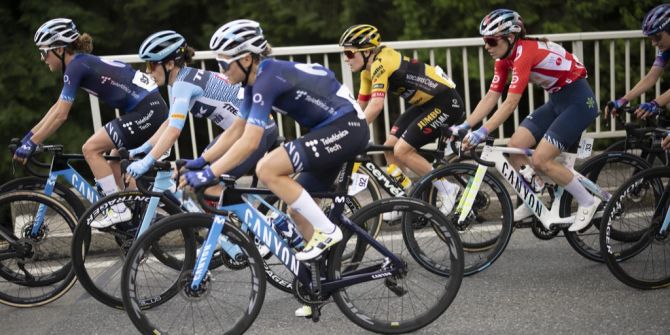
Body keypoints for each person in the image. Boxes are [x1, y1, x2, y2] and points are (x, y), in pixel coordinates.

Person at [182, 19, 369, 264]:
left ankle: (328, 231)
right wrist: (202, 161)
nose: (221, 68)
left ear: (246, 59)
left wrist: (209, 173)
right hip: (332, 128)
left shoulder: (267, 78)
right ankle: (323, 282)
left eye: (224, 62)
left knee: (268, 168)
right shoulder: (253, 84)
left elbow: (250, 142)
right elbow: (236, 131)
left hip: (346, 126)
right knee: (297, 212)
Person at [457, 9, 600, 232]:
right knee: (515, 147)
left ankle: (588, 202)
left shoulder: (525, 53)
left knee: (542, 160)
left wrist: (482, 132)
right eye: (485, 41)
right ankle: (532, 200)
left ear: (510, 37)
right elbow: (491, 96)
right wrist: (466, 125)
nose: (487, 46)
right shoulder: (505, 58)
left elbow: (510, 103)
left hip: (579, 102)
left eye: (491, 41)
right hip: (558, 101)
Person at [16, 18, 168, 227]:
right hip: (148, 108)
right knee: (113, 158)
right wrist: (29, 138)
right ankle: (132, 218)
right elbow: (56, 109)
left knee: (91, 149)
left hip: (148, 110)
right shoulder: (79, 63)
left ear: (59, 49)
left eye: (44, 52)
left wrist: (31, 144)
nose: (43, 59)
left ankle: (118, 209)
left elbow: (61, 116)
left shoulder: (76, 66)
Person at [124, 30, 278, 211]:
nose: (148, 71)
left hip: (255, 133)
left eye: (151, 65)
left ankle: (240, 231)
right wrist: (144, 148)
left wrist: (147, 161)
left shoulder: (182, 85)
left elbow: (174, 131)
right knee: (185, 173)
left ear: (170, 64)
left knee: (209, 184)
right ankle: (215, 223)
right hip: (241, 132)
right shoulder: (182, 79)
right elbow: (168, 123)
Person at [339, 24, 464, 217]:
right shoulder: (367, 71)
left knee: (402, 150)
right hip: (426, 104)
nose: (346, 59)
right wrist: (343, 126)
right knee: (390, 148)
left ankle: (447, 189)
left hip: (446, 102)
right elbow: (360, 106)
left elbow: (376, 105)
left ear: (367, 51)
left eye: (349, 53)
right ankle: (406, 197)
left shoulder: (381, 63)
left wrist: (355, 131)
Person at [604, 4, 670, 121]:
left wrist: (654, 103)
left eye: (657, 37)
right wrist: (623, 100)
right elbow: (651, 77)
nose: (654, 43)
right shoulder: (666, 48)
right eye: (651, 38)